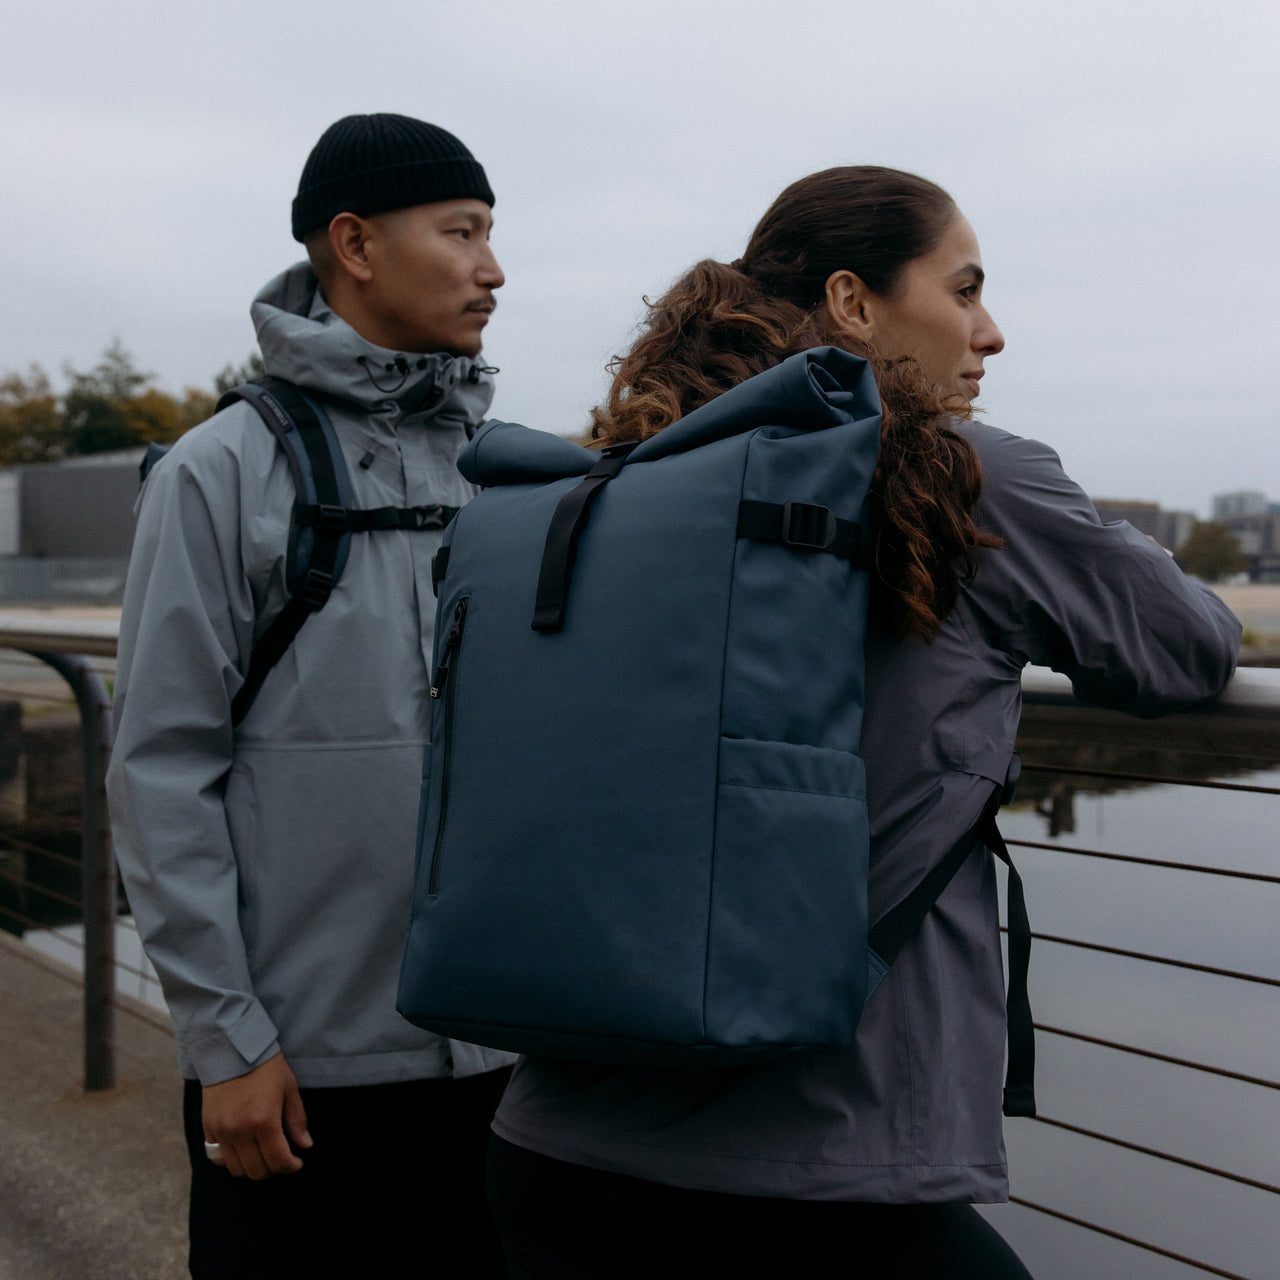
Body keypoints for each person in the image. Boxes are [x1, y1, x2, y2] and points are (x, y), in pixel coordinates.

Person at [482, 167, 1242, 1277]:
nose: (989, 331)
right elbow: (1186, 647)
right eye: (964, 289)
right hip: (820, 1170)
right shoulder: (965, 476)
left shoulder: (643, 470)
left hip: (557, 1148)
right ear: (852, 302)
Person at [106, 113, 514, 1278]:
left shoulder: (502, 467)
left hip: (506, 1062)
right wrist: (226, 1040)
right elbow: (159, 767)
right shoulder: (220, 470)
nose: (492, 268)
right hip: (298, 1076)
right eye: (461, 231)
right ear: (355, 243)